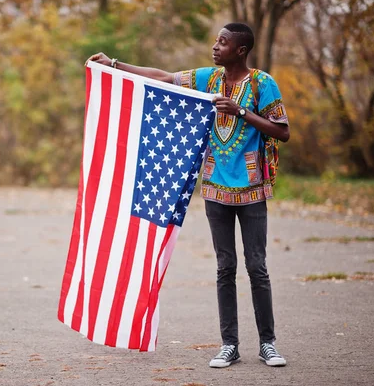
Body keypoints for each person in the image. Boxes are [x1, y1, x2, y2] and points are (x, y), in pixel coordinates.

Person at [87, 22, 289, 368]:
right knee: (225, 267)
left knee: (257, 266)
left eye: (223, 43)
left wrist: (241, 111)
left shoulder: (262, 83)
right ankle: (229, 344)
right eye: (215, 41)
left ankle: (268, 344)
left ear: (241, 50)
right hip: (214, 189)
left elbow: (282, 131)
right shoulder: (209, 79)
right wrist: (115, 64)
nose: (215, 47)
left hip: (253, 190)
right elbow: (164, 77)